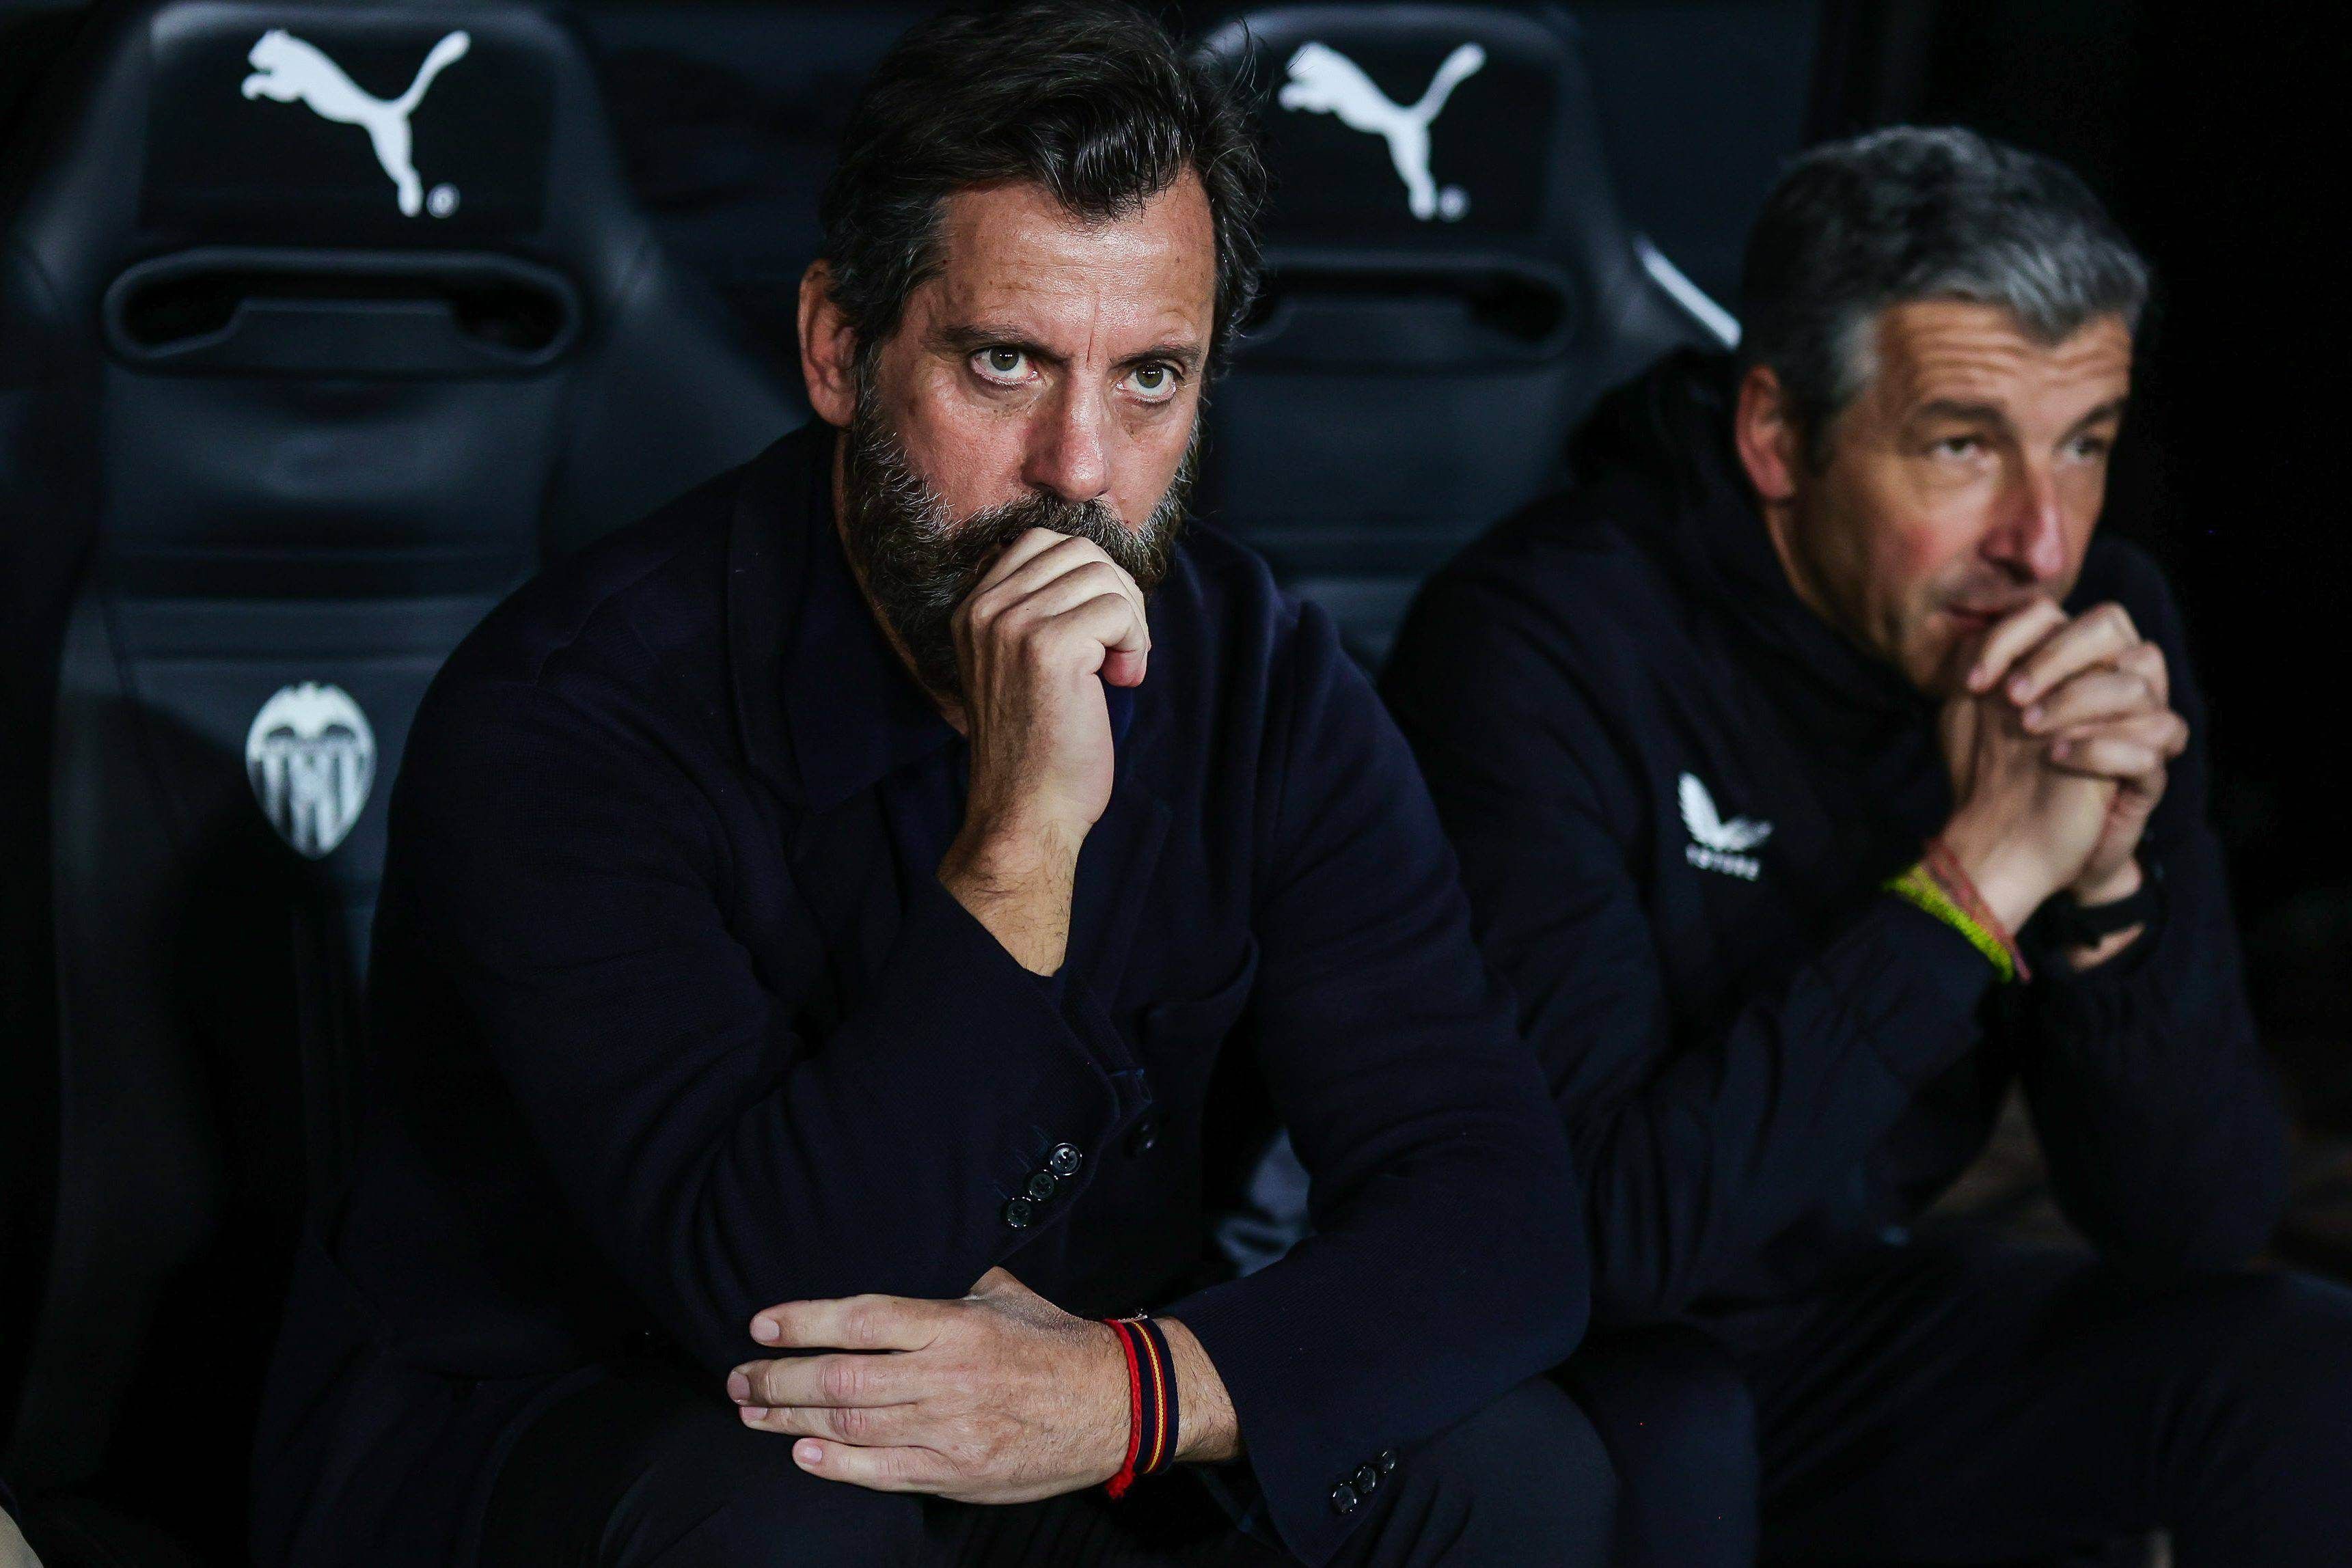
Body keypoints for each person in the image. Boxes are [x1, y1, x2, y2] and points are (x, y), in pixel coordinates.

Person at [253, 7, 1613, 1565]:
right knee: (783, 1508)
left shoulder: (1262, 679)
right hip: (577, 1420)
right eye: (1004, 361)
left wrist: (1134, 1391)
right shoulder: (569, 714)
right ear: (839, 346)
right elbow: (774, 1286)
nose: (1080, 467)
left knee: (1504, 1462)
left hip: (1030, 1408)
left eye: (1152, 376)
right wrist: (1023, 836)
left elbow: (1501, 1209)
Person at [1383, 126, 2352, 1565]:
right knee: (1678, 1419)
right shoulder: (1538, 645)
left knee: (2296, 1364)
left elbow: (2193, 1225)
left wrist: (2101, 893)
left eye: (2080, 443)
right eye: (1962, 444)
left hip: (1832, 1328)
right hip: (1531, 1359)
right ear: (1778, 435)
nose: (2038, 539)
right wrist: (1972, 888)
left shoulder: (2090, 631)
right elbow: (1600, 1246)